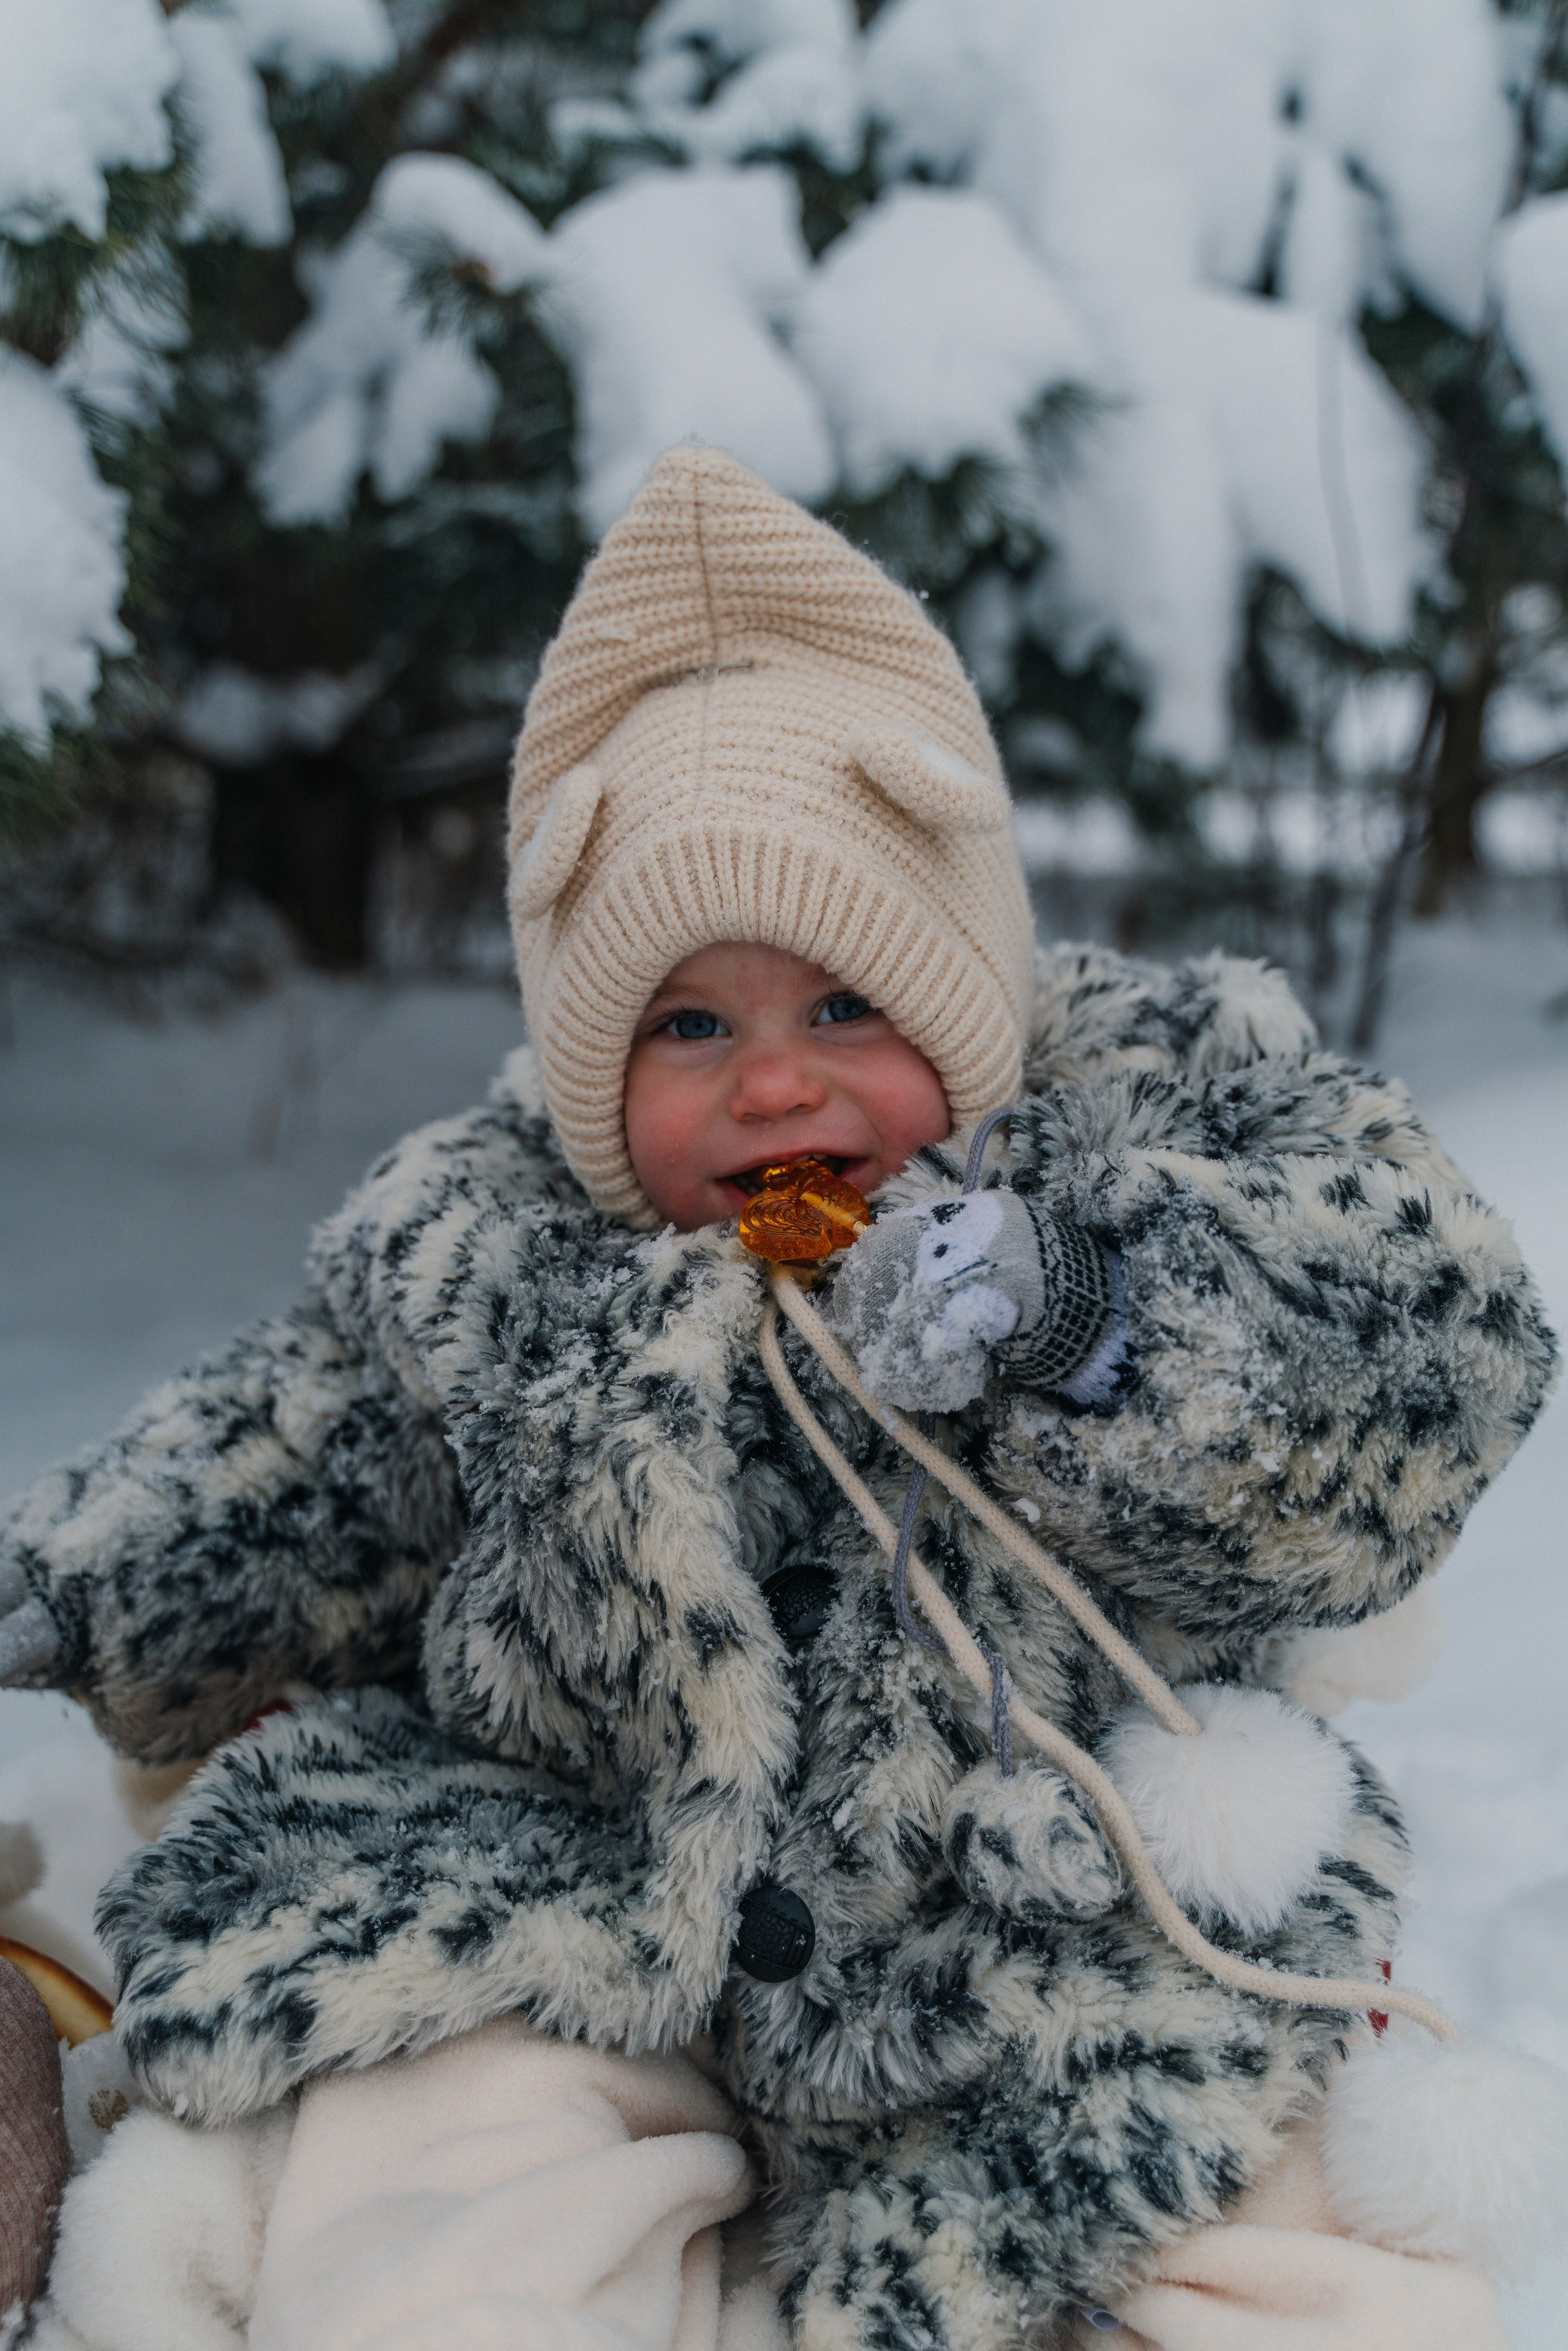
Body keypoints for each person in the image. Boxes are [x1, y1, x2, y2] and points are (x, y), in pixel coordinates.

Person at [1, 448, 1559, 2351]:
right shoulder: (505, 1259)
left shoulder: (1139, 1137)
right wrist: (75, 1581)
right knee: (427, 2177)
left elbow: (1421, 1339)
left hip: (1052, 1930)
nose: (772, 1089)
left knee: (1294, 2244)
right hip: (604, 1907)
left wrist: (1085, 1316)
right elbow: (298, 1451)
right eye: (688, 1026)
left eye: (844, 1009)